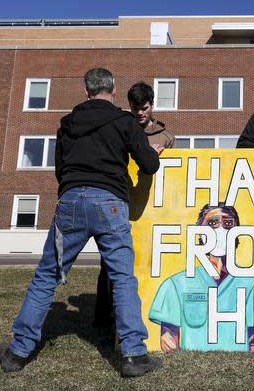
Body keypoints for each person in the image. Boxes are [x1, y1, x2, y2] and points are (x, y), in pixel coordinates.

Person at [0, 68, 164, 377]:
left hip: (70, 201)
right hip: (110, 203)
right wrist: (152, 152)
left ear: (86, 92)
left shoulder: (67, 124)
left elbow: (60, 170)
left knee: (46, 277)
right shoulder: (125, 122)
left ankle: (18, 351)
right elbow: (149, 165)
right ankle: (134, 356)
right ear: (113, 91)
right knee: (123, 278)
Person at [93, 81, 175, 334]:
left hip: (152, 209)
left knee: (150, 262)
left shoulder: (167, 137)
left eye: (144, 107)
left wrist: (164, 154)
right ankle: (103, 319)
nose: (140, 113)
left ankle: (147, 312)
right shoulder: (119, 127)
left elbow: (175, 175)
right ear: (128, 106)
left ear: (152, 105)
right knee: (110, 264)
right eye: (135, 108)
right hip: (120, 205)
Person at [148, 203, 254, 351]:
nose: (220, 229)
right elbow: (168, 339)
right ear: (200, 233)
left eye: (228, 224)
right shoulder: (176, 284)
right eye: (212, 223)